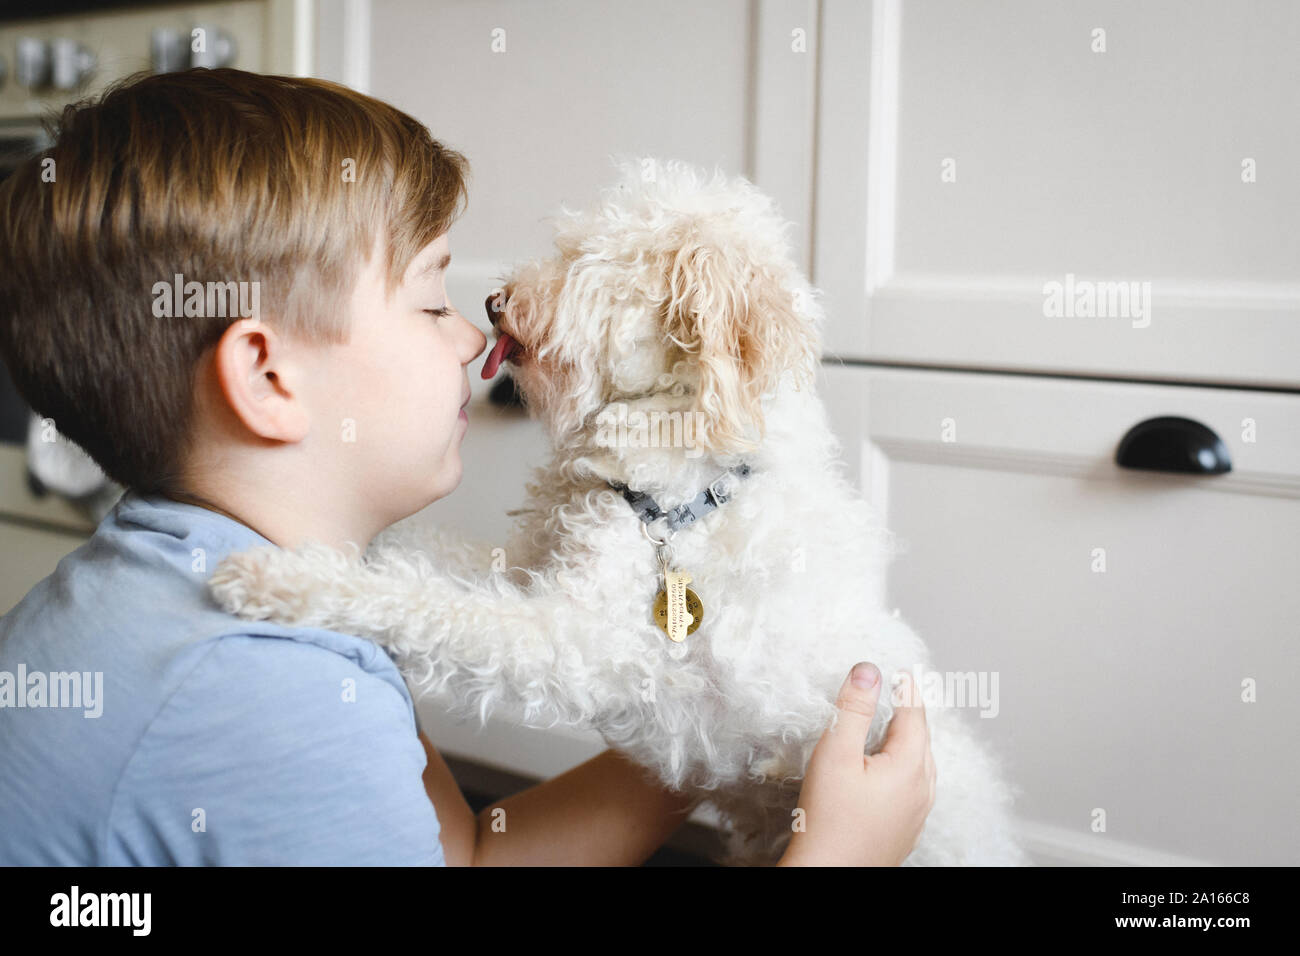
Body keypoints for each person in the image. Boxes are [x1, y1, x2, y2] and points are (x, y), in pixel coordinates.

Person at [0, 68, 934, 866]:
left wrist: (703, 736)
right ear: (269, 376)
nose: (471, 334)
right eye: (429, 298)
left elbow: (468, 854)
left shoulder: (224, 581)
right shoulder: (262, 697)